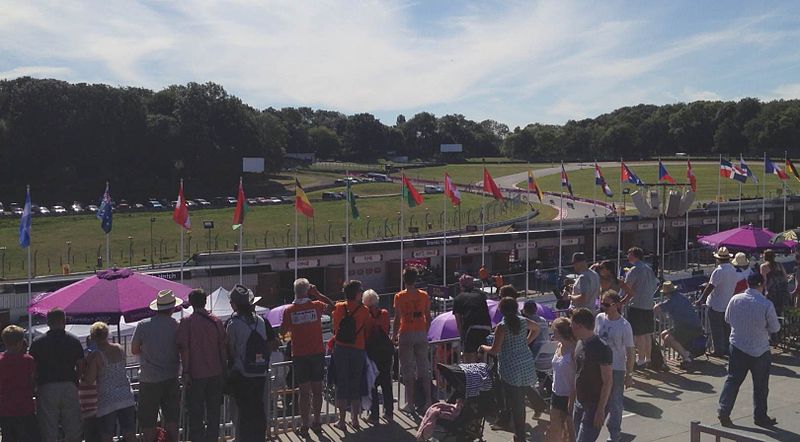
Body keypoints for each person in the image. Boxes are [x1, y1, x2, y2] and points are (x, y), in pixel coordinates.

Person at [718, 272, 781, 428]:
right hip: (759, 348)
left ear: (747, 283)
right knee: (760, 385)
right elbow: (775, 327)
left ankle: (723, 411)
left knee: (732, 380)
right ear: (762, 284)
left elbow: (727, 319)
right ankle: (760, 417)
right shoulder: (766, 304)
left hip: (738, 345)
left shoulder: (735, 299)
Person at [480, 297, 540, 442]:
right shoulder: (522, 321)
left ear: (501, 310)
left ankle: (519, 435)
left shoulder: (502, 326)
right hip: (525, 365)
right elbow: (537, 328)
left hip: (510, 368)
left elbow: (495, 350)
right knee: (520, 402)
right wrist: (526, 341)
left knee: (515, 404)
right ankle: (519, 433)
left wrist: (483, 347)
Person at [281, 278, 334, 436]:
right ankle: (317, 422)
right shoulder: (316, 305)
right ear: (308, 290)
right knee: (317, 391)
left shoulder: (289, 310)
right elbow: (332, 306)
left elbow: (283, 332)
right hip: (317, 353)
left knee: (303, 392)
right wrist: (317, 293)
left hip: (299, 355)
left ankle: (305, 425)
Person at [176, 288, 228, 442]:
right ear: (205, 301)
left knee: (196, 412)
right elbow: (223, 348)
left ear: (191, 303)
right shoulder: (216, 321)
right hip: (216, 372)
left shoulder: (186, 322)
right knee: (214, 412)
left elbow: (184, 349)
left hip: (196, 374)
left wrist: (185, 372)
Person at [227, 284, 277, 442]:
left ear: (234, 304)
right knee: (259, 408)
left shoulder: (233, 324)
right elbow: (272, 343)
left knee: (242, 410)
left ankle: (242, 438)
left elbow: (230, 349)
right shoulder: (261, 321)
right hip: (260, 372)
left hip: (242, 374)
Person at [131, 289, 182, 442]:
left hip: (149, 379)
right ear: (172, 308)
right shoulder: (176, 326)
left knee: (148, 420)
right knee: (172, 418)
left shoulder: (142, 325)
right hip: (171, 377)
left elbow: (134, 350)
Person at [29, 308, 85, 442]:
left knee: (49, 428)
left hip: (46, 386)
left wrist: (35, 385)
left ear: (48, 322)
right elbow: (81, 365)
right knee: (73, 428)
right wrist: (75, 378)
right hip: (69, 385)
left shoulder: (37, 342)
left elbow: (32, 368)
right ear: (64, 321)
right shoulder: (74, 341)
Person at [331, 280, 373, 430]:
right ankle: (355, 419)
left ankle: (341, 421)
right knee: (356, 384)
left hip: (341, 349)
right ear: (356, 294)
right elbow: (367, 330)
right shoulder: (364, 311)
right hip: (358, 350)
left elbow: (335, 328)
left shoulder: (338, 307)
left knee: (341, 385)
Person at [84, 322, 136, 442]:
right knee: (129, 433)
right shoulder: (119, 348)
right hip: (126, 395)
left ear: (93, 337)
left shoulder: (96, 355)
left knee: (106, 435)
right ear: (107, 334)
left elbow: (89, 379)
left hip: (107, 399)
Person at [594, 291, 635, 442]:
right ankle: (594, 428)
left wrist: (629, 374)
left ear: (617, 305)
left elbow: (630, 352)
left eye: (606, 304)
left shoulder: (624, 326)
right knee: (598, 399)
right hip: (598, 366)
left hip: (616, 368)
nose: (603, 307)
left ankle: (614, 432)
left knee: (615, 401)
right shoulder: (599, 318)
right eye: (601, 303)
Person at [392, 267, 432, 413]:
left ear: (404, 280)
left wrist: (394, 335)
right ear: (416, 279)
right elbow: (428, 316)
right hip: (420, 332)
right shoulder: (424, 295)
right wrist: (425, 331)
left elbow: (397, 318)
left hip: (406, 332)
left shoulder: (399, 296)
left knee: (408, 369)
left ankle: (410, 403)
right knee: (424, 368)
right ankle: (428, 401)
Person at [571, 308, 613, 442]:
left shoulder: (601, 348)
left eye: (572, 324)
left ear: (579, 326)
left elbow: (607, 381)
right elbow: (577, 372)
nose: (570, 327)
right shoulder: (579, 343)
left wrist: (600, 410)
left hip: (594, 405)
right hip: (579, 402)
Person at [620, 247, 659, 367]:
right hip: (648, 304)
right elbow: (655, 284)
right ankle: (648, 358)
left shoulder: (634, 270)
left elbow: (627, 288)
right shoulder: (648, 269)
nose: (627, 256)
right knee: (647, 334)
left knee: (638, 335)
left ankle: (640, 359)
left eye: (629, 254)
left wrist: (621, 300)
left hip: (636, 304)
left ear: (634, 256)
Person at [0, 325, 39, 442]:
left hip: (5, 408)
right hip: (25, 407)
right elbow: (33, 382)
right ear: (20, 342)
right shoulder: (28, 360)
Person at [698, 247, 738, 357]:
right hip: (727, 303)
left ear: (718, 259)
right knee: (726, 329)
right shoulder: (732, 270)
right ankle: (728, 349)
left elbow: (711, 286)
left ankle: (718, 350)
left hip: (716, 304)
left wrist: (701, 299)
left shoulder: (718, 271)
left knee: (717, 329)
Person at [654, 281, 703, 366]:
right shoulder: (681, 297)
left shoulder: (671, 301)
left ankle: (687, 356)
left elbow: (656, 308)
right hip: (693, 325)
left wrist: (654, 304)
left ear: (666, 294)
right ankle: (674, 353)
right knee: (663, 334)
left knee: (668, 338)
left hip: (689, 327)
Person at [363, 289, 394, 423]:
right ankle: (389, 413)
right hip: (385, 353)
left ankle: (374, 415)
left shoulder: (365, 316)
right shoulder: (385, 314)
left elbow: (364, 335)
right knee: (387, 383)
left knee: (373, 384)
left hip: (372, 353)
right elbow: (387, 330)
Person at [546, 318, 577, 442]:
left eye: (554, 331)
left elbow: (577, 377)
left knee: (570, 431)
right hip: (556, 392)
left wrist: (572, 399)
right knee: (555, 428)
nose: (552, 334)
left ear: (561, 332)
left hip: (569, 395)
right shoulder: (559, 345)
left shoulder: (574, 350)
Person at [453, 274, 492, 363]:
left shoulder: (459, 299)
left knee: (470, 363)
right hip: (486, 328)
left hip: (471, 329)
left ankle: (472, 376)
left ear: (461, 285)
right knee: (485, 360)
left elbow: (458, 322)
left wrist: (462, 338)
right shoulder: (481, 295)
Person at [521, 299, 549, 415]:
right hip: (547, 358)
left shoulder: (529, 322)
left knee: (521, 377)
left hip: (536, 358)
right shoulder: (543, 320)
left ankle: (537, 402)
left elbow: (527, 342)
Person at [761, 249, 789, 317]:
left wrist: (762, 292)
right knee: (783, 311)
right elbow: (785, 277)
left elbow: (764, 280)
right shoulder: (779, 265)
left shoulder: (763, 266)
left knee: (772, 312)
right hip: (782, 291)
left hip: (771, 292)